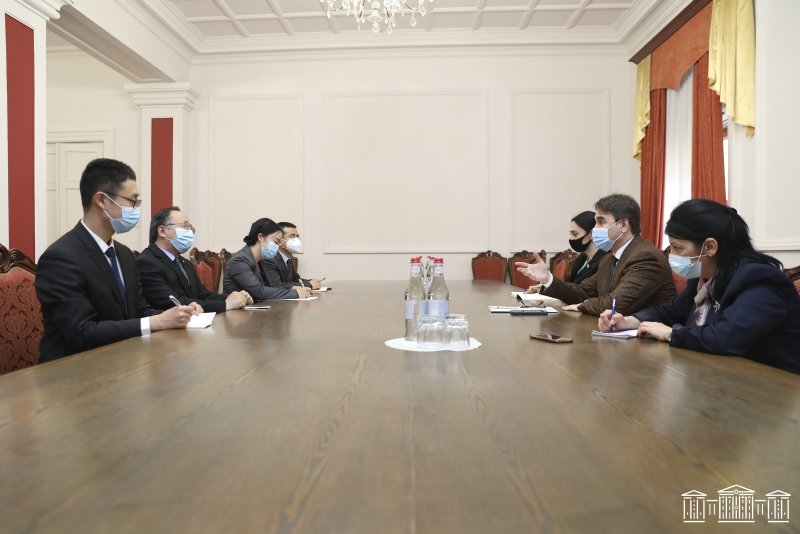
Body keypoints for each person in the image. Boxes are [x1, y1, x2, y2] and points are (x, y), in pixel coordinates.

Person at [598, 199, 800, 374]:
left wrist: (671, 333)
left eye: (678, 248)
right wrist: (629, 321)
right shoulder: (703, 274)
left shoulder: (760, 280)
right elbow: (673, 311)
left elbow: (726, 337)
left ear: (710, 247)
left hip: (772, 385)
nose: (671, 255)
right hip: (718, 373)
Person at [36, 158, 197, 362]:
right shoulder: (61, 257)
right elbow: (82, 332)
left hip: (123, 359)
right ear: (102, 200)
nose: (136, 209)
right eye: (132, 201)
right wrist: (155, 322)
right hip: (72, 369)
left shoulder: (123, 253)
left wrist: (178, 314)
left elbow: (139, 310)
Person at [516, 193, 675, 316]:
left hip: (648, 341)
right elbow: (583, 292)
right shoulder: (609, 258)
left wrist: (582, 305)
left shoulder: (645, 256)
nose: (595, 229)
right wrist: (547, 278)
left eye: (601, 222)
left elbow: (616, 304)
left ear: (623, 225)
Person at [137, 206, 253, 312]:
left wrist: (235, 298)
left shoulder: (185, 263)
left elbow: (202, 294)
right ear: (162, 231)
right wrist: (226, 305)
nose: (190, 232)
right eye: (185, 226)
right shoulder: (147, 262)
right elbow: (173, 302)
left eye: (190, 228)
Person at [223, 218, 312, 300]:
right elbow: (259, 291)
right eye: (275, 242)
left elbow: (269, 287)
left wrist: (292, 288)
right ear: (261, 237)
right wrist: (295, 294)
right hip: (236, 310)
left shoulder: (258, 259)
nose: (277, 247)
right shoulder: (240, 260)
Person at [261, 221, 322, 290]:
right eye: (292, 236)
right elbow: (277, 286)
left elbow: (296, 280)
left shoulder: (288, 259)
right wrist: (310, 284)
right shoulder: (270, 258)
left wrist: (311, 281)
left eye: (297, 237)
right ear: (279, 240)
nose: (296, 240)